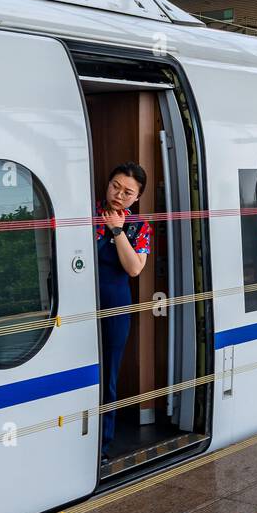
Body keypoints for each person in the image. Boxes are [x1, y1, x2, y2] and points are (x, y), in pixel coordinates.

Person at [94, 162, 153, 461]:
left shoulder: (139, 226)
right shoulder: (86, 212)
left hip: (115, 307)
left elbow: (133, 268)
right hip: (79, 304)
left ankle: (101, 446)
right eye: (115, 186)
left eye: (128, 192)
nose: (119, 194)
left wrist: (116, 231)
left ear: (136, 197)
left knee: (108, 375)